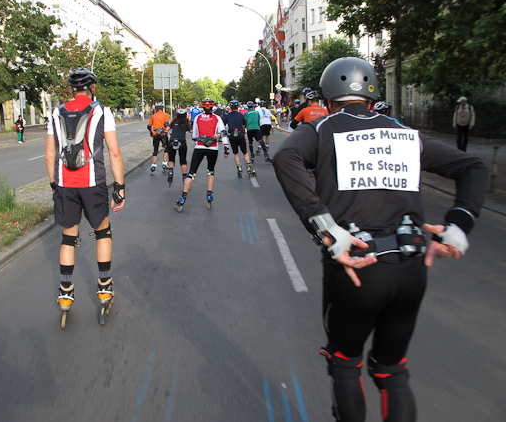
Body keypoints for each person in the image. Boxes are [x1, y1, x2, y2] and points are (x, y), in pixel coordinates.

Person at [273, 57, 489, 422]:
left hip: (358, 266)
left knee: (345, 364)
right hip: (411, 266)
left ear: (327, 98)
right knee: (392, 370)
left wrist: (326, 229)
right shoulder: (403, 132)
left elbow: (285, 156)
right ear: (373, 96)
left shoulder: (322, 128)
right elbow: (473, 167)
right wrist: (457, 227)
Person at [46, 68, 125, 323]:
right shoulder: (101, 111)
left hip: (65, 184)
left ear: (71, 89)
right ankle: (104, 288)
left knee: (68, 238)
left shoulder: (56, 113)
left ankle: (65, 294)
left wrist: (54, 185)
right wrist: (119, 188)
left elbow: (49, 155)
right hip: (93, 183)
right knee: (103, 232)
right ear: (92, 88)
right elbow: (114, 153)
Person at [174, 98, 229, 212]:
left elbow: (194, 135)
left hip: (199, 147)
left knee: (191, 173)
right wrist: (226, 146)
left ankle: (182, 199)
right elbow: (223, 132)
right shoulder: (217, 118)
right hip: (213, 148)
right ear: (212, 107)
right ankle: (209, 194)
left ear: (203, 107)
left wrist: (199, 138)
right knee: (211, 171)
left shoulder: (198, 117)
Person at [223, 100, 256, 178]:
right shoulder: (241, 115)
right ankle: (249, 168)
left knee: (236, 153)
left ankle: (239, 168)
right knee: (245, 152)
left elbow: (223, 125)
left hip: (232, 136)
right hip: (240, 135)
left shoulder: (228, 116)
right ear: (238, 107)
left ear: (230, 107)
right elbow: (244, 125)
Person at [166, 108, 191, 186]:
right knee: (183, 160)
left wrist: (167, 132)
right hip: (182, 141)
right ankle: (184, 178)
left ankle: (170, 172)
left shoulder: (173, 122)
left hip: (172, 141)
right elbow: (191, 131)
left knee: (171, 159)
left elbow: (167, 129)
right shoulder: (187, 123)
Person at [148, 103, 169, 174]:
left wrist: (151, 133)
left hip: (155, 134)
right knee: (166, 148)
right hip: (163, 134)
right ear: (162, 108)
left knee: (155, 149)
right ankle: (164, 163)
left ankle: (153, 164)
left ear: (156, 109)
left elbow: (149, 126)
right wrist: (168, 131)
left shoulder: (153, 116)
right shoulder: (165, 115)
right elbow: (166, 124)